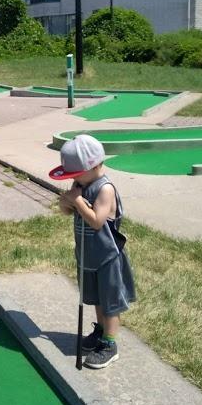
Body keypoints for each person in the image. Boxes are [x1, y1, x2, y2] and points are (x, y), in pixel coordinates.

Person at [49, 134, 136, 369]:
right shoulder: (81, 185)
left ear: (94, 166)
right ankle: (100, 331)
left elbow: (97, 221)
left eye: (76, 174)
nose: (73, 179)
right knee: (97, 298)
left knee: (109, 303)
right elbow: (68, 211)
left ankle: (110, 344)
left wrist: (78, 201)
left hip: (107, 257)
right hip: (88, 255)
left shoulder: (105, 189)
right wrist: (67, 201)